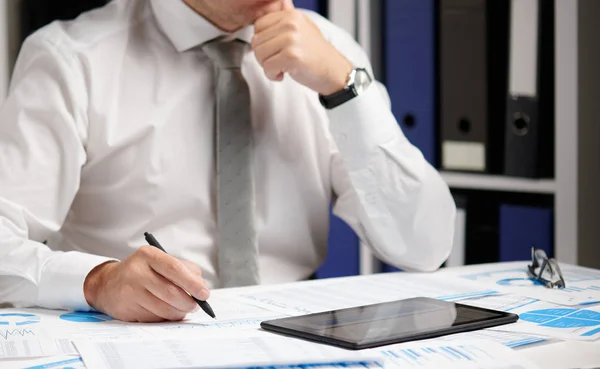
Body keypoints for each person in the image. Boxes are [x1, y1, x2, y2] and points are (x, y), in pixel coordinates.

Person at [0, 0, 456, 322]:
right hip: (138, 342)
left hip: (298, 341)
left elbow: (425, 247)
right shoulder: (72, 59)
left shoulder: (332, 50)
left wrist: (345, 89)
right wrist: (97, 283)